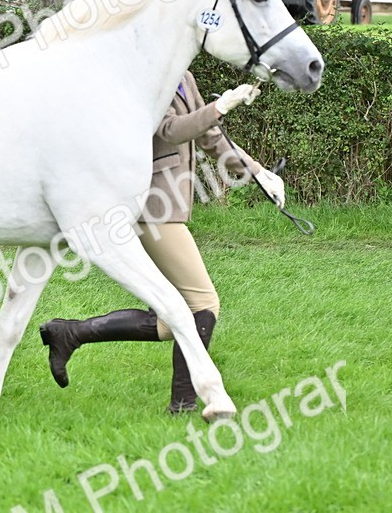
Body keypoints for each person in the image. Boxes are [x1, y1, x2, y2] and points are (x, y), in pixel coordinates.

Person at [38, 72, 286, 413]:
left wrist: (257, 172)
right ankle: (183, 402)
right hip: (152, 203)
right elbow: (171, 130)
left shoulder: (184, 76)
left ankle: (70, 333)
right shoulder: (151, 74)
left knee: (172, 318)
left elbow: (210, 137)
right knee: (202, 303)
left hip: (167, 204)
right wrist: (220, 106)